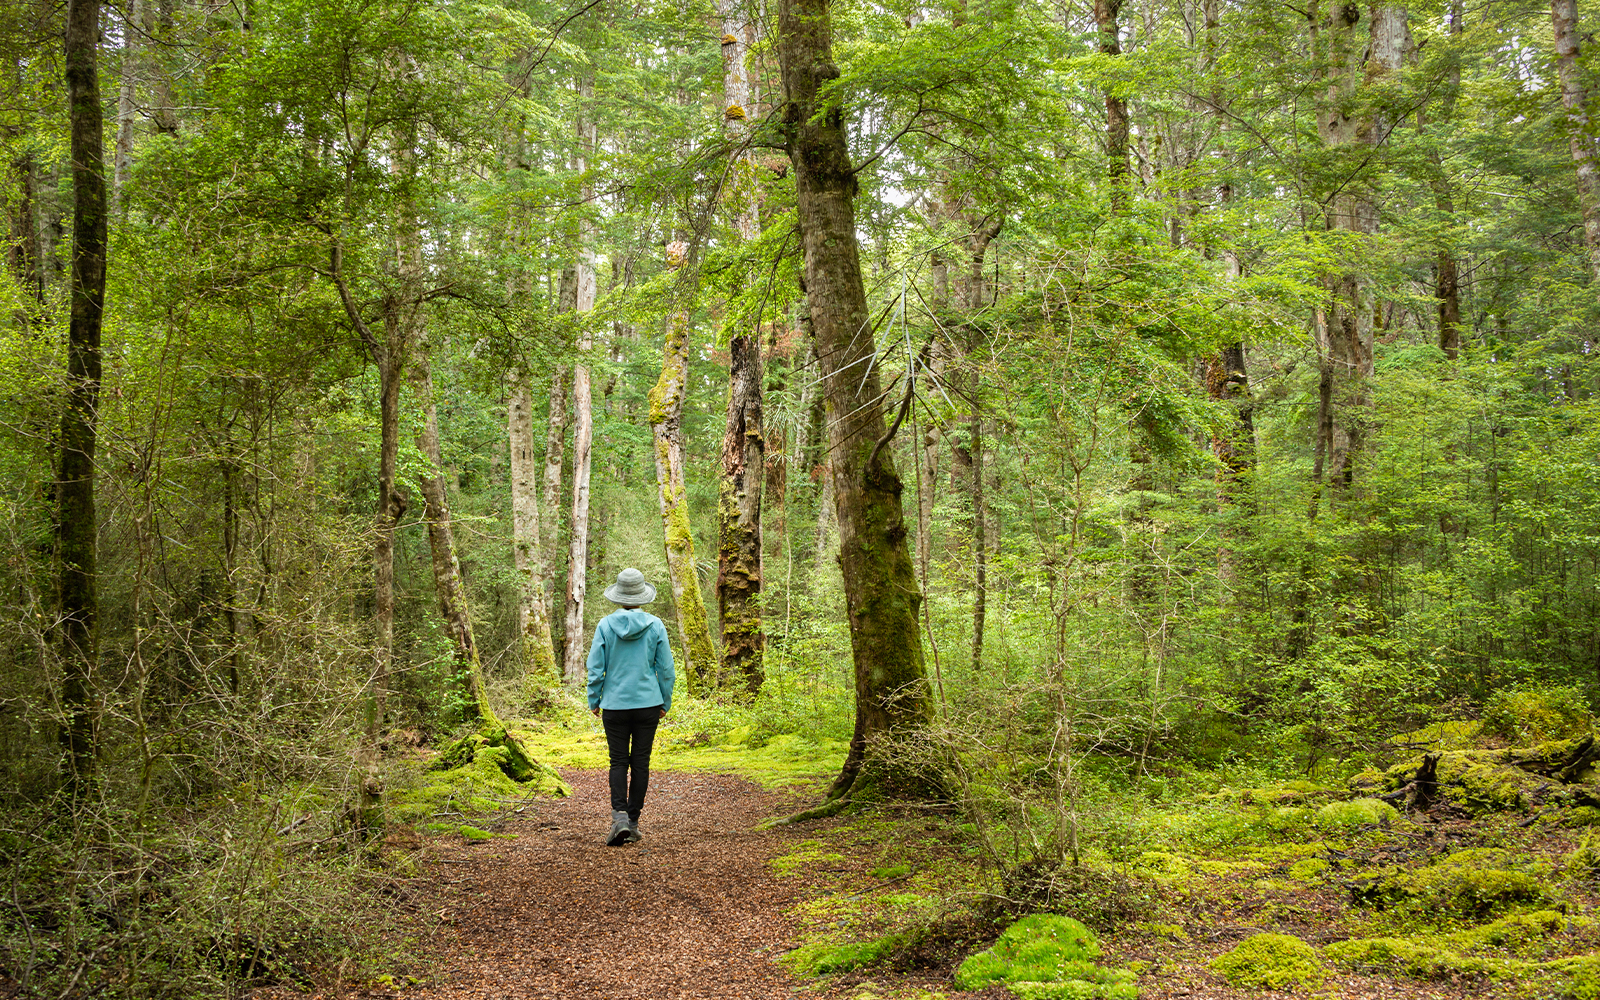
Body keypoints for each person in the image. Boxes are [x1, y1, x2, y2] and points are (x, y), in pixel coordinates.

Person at [586, 567, 675, 846]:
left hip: (615, 705)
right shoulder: (656, 625)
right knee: (640, 763)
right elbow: (666, 669)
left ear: (618, 596)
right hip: (648, 704)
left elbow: (595, 668)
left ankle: (620, 818)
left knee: (618, 761)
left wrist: (594, 699)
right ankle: (633, 823)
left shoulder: (605, 625)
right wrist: (665, 701)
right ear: (642, 596)